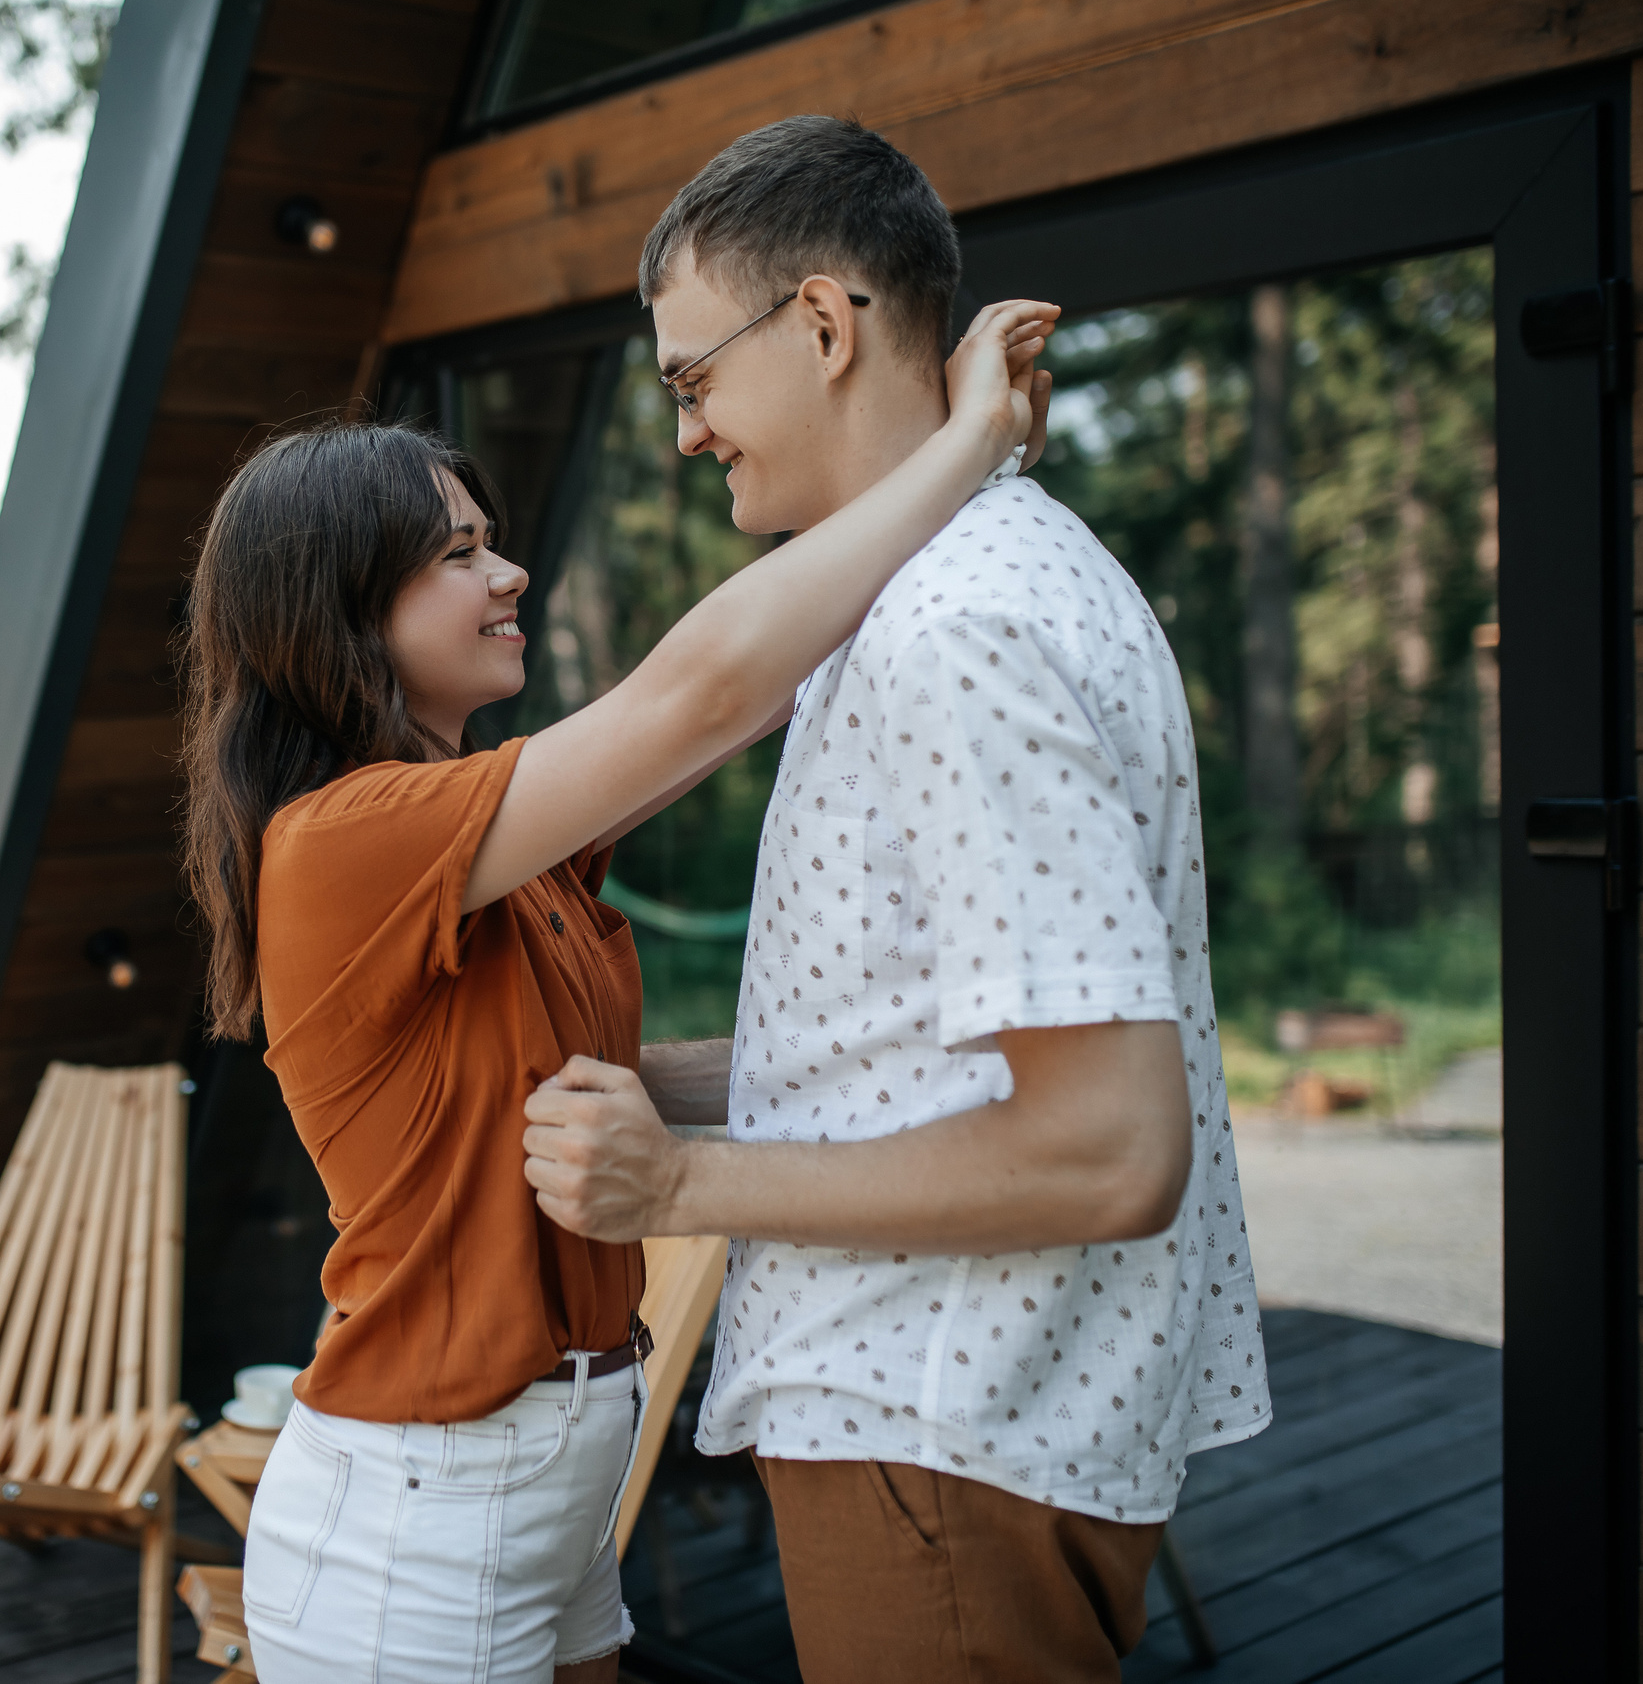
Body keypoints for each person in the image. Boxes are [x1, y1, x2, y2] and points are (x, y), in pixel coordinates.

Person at [177, 287, 1056, 1681]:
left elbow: (760, 693)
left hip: (561, 1475)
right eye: (458, 554)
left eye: (494, 542)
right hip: (421, 1510)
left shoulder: (503, 859)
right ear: (338, 607)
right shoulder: (345, 840)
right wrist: (960, 442)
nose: (509, 573)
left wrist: (924, 1073)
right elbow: (697, 695)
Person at [517, 116, 1270, 1684]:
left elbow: (1106, 1145)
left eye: (689, 378)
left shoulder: (955, 632)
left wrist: (678, 1186)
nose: (687, 433)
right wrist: (666, 1087)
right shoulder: (980, 581)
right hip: (969, 1420)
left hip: (941, 1417)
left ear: (820, 323)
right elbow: (953, 1038)